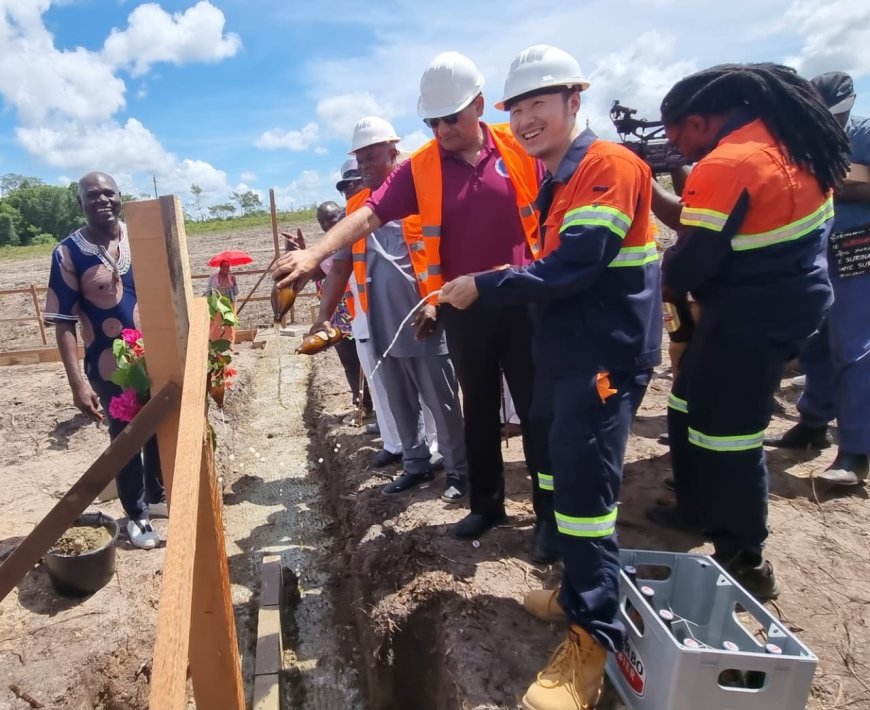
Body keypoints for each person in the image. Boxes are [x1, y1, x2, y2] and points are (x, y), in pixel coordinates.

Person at [440, 45, 661, 709]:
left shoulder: (605, 168)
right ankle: (574, 593)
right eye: (520, 107)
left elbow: (572, 268)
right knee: (561, 471)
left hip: (604, 358)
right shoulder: (558, 176)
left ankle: (593, 642)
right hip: (568, 355)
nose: (529, 118)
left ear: (575, 100)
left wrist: (483, 284)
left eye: (542, 102)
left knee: (589, 503)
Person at [273, 52, 557, 561]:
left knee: (539, 413)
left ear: (478, 107)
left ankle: (549, 517)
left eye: (451, 118)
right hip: (463, 306)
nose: (442, 129)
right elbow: (368, 214)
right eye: (432, 121)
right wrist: (315, 252)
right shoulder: (423, 168)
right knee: (478, 410)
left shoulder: (519, 147)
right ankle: (488, 504)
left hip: (523, 297)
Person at [645, 63, 849, 600]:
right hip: (789, 303)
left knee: (728, 433)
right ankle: (695, 506)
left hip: (750, 319)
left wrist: (669, 279)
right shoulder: (796, 142)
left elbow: (692, 263)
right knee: (686, 402)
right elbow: (709, 223)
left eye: (677, 131)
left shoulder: (729, 164)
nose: (674, 145)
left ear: (703, 120)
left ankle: (745, 557)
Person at [306, 117, 468, 500]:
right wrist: (322, 316)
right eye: (359, 159)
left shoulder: (425, 195)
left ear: (393, 152)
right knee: (398, 400)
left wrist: (437, 303)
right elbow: (341, 266)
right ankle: (414, 464)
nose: (364, 167)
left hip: (424, 317)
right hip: (380, 319)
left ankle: (459, 471)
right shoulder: (358, 211)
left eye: (371, 157)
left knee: (441, 400)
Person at [43, 172, 166, 550]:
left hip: (157, 356)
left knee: (159, 424)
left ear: (120, 197)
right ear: (80, 203)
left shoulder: (142, 238)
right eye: (91, 195)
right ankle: (137, 513)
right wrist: (77, 382)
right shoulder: (68, 252)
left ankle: (157, 496)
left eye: (108, 193)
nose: (102, 200)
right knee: (125, 436)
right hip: (108, 365)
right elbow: (63, 321)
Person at [766, 71, 870, 487]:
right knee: (815, 341)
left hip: (858, 253)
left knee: (854, 347)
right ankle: (811, 424)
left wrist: (830, 181)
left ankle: (856, 450)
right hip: (817, 251)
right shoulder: (800, 138)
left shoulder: (863, 134)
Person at [205, 259, 238, 342]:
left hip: (229, 304)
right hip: (217, 304)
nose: (225, 269)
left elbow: (236, 293)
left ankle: (229, 343)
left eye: (227, 267)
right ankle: (213, 342)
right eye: (223, 267)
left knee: (230, 324)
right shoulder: (213, 278)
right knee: (216, 323)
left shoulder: (231, 278)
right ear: (220, 267)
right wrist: (208, 303)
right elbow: (208, 291)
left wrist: (234, 283)